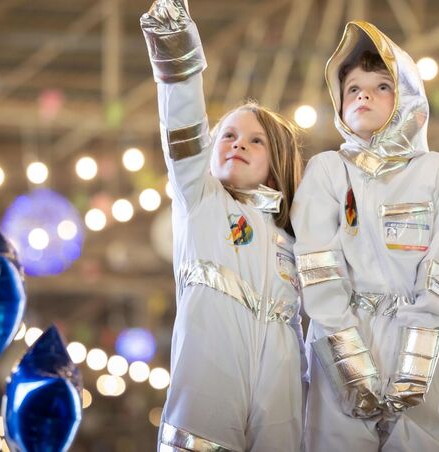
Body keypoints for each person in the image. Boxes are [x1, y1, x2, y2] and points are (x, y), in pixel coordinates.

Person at [291, 21, 439, 451]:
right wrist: (349, 363)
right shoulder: (326, 170)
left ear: (407, 97)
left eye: (381, 86)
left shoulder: (437, 171)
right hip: (340, 339)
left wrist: (417, 362)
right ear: (338, 103)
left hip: (422, 345)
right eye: (352, 87)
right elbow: (316, 268)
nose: (363, 95)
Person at [140, 1, 305, 450]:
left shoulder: (298, 238)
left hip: (284, 399)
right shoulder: (201, 201)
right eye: (227, 135)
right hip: (208, 396)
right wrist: (175, 47)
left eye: (255, 140)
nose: (237, 144)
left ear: (277, 166)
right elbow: (184, 127)